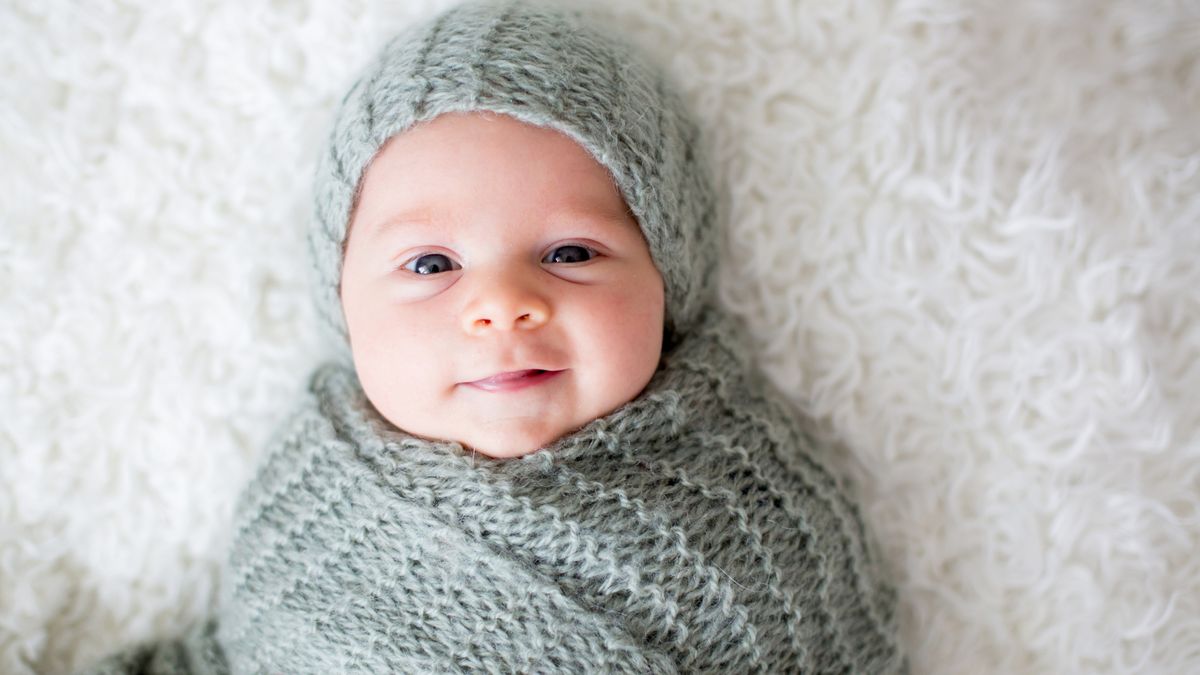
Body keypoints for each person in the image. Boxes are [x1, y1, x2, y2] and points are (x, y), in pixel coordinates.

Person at [80, 0, 904, 672]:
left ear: (670, 277)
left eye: (570, 253)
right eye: (432, 263)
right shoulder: (308, 490)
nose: (503, 305)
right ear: (342, 299)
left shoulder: (763, 518)